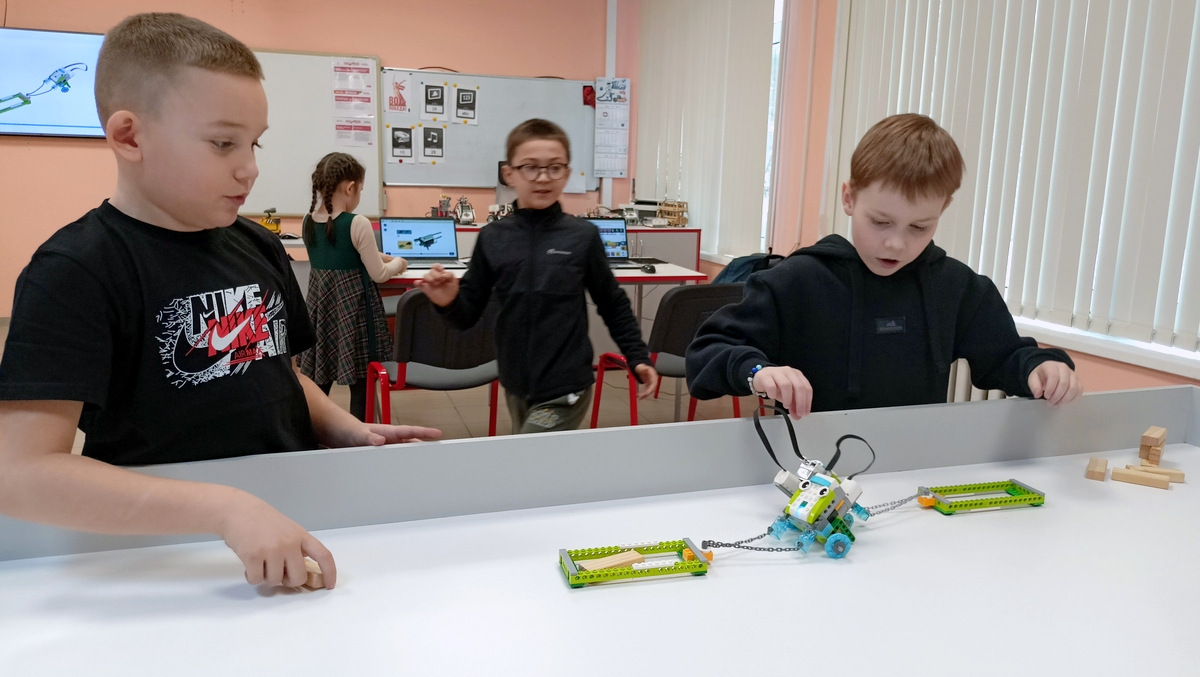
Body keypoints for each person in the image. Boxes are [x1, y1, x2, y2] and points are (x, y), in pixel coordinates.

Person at [0, 13, 440, 590]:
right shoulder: (75, 270)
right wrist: (225, 508)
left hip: (283, 518)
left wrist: (345, 427)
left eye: (254, 143)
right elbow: (20, 473)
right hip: (161, 552)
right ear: (129, 136)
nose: (250, 168)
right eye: (222, 143)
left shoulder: (255, 243)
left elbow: (276, 369)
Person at [686, 113, 1082, 419]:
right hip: (812, 466)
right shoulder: (796, 281)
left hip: (913, 469)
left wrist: (1040, 367)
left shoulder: (956, 287)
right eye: (880, 222)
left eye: (919, 227)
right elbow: (707, 353)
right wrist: (757, 370)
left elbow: (1006, 356)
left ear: (943, 209)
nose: (896, 243)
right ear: (849, 199)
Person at [417, 118, 660, 433]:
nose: (543, 177)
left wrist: (637, 356)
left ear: (567, 174)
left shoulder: (582, 236)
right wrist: (448, 301)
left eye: (554, 167)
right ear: (509, 174)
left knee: (527, 454)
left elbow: (612, 303)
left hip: (567, 386)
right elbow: (467, 316)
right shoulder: (493, 237)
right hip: (516, 383)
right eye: (530, 167)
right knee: (539, 458)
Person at [299, 152, 406, 421]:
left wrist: (380, 255)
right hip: (355, 315)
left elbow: (340, 252)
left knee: (319, 380)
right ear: (350, 187)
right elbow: (379, 275)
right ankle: (361, 433)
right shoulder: (357, 222)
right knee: (361, 383)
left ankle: (314, 430)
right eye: (360, 189)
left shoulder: (308, 221)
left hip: (322, 316)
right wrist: (398, 263)